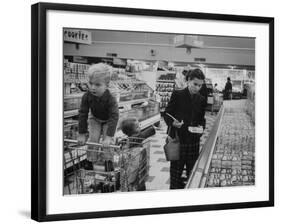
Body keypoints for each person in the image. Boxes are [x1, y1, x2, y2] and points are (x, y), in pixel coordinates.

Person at [163, 68, 206, 189]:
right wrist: (173, 122)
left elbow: (202, 119)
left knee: (191, 173)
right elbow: (166, 113)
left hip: (193, 141)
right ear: (188, 81)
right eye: (195, 84)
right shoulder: (178, 94)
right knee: (176, 173)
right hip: (178, 140)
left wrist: (201, 128)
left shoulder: (201, 99)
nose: (197, 88)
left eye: (200, 85)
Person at [77, 63, 119, 170]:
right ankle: (90, 160)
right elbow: (83, 113)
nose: (92, 87)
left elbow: (114, 117)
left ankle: (108, 161)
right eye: (91, 83)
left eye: (97, 85)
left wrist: (109, 137)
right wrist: (81, 133)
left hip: (108, 120)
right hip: (95, 118)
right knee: (93, 139)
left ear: (107, 85)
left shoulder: (111, 98)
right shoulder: (87, 96)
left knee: (107, 142)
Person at [120, 117, 156, 191]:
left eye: (139, 125)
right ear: (130, 131)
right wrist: (152, 129)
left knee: (140, 182)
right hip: (135, 169)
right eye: (137, 127)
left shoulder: (132, 137)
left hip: (138, 167)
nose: (139, 127)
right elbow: (142, 135)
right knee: (137, 184)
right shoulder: (133, 139)